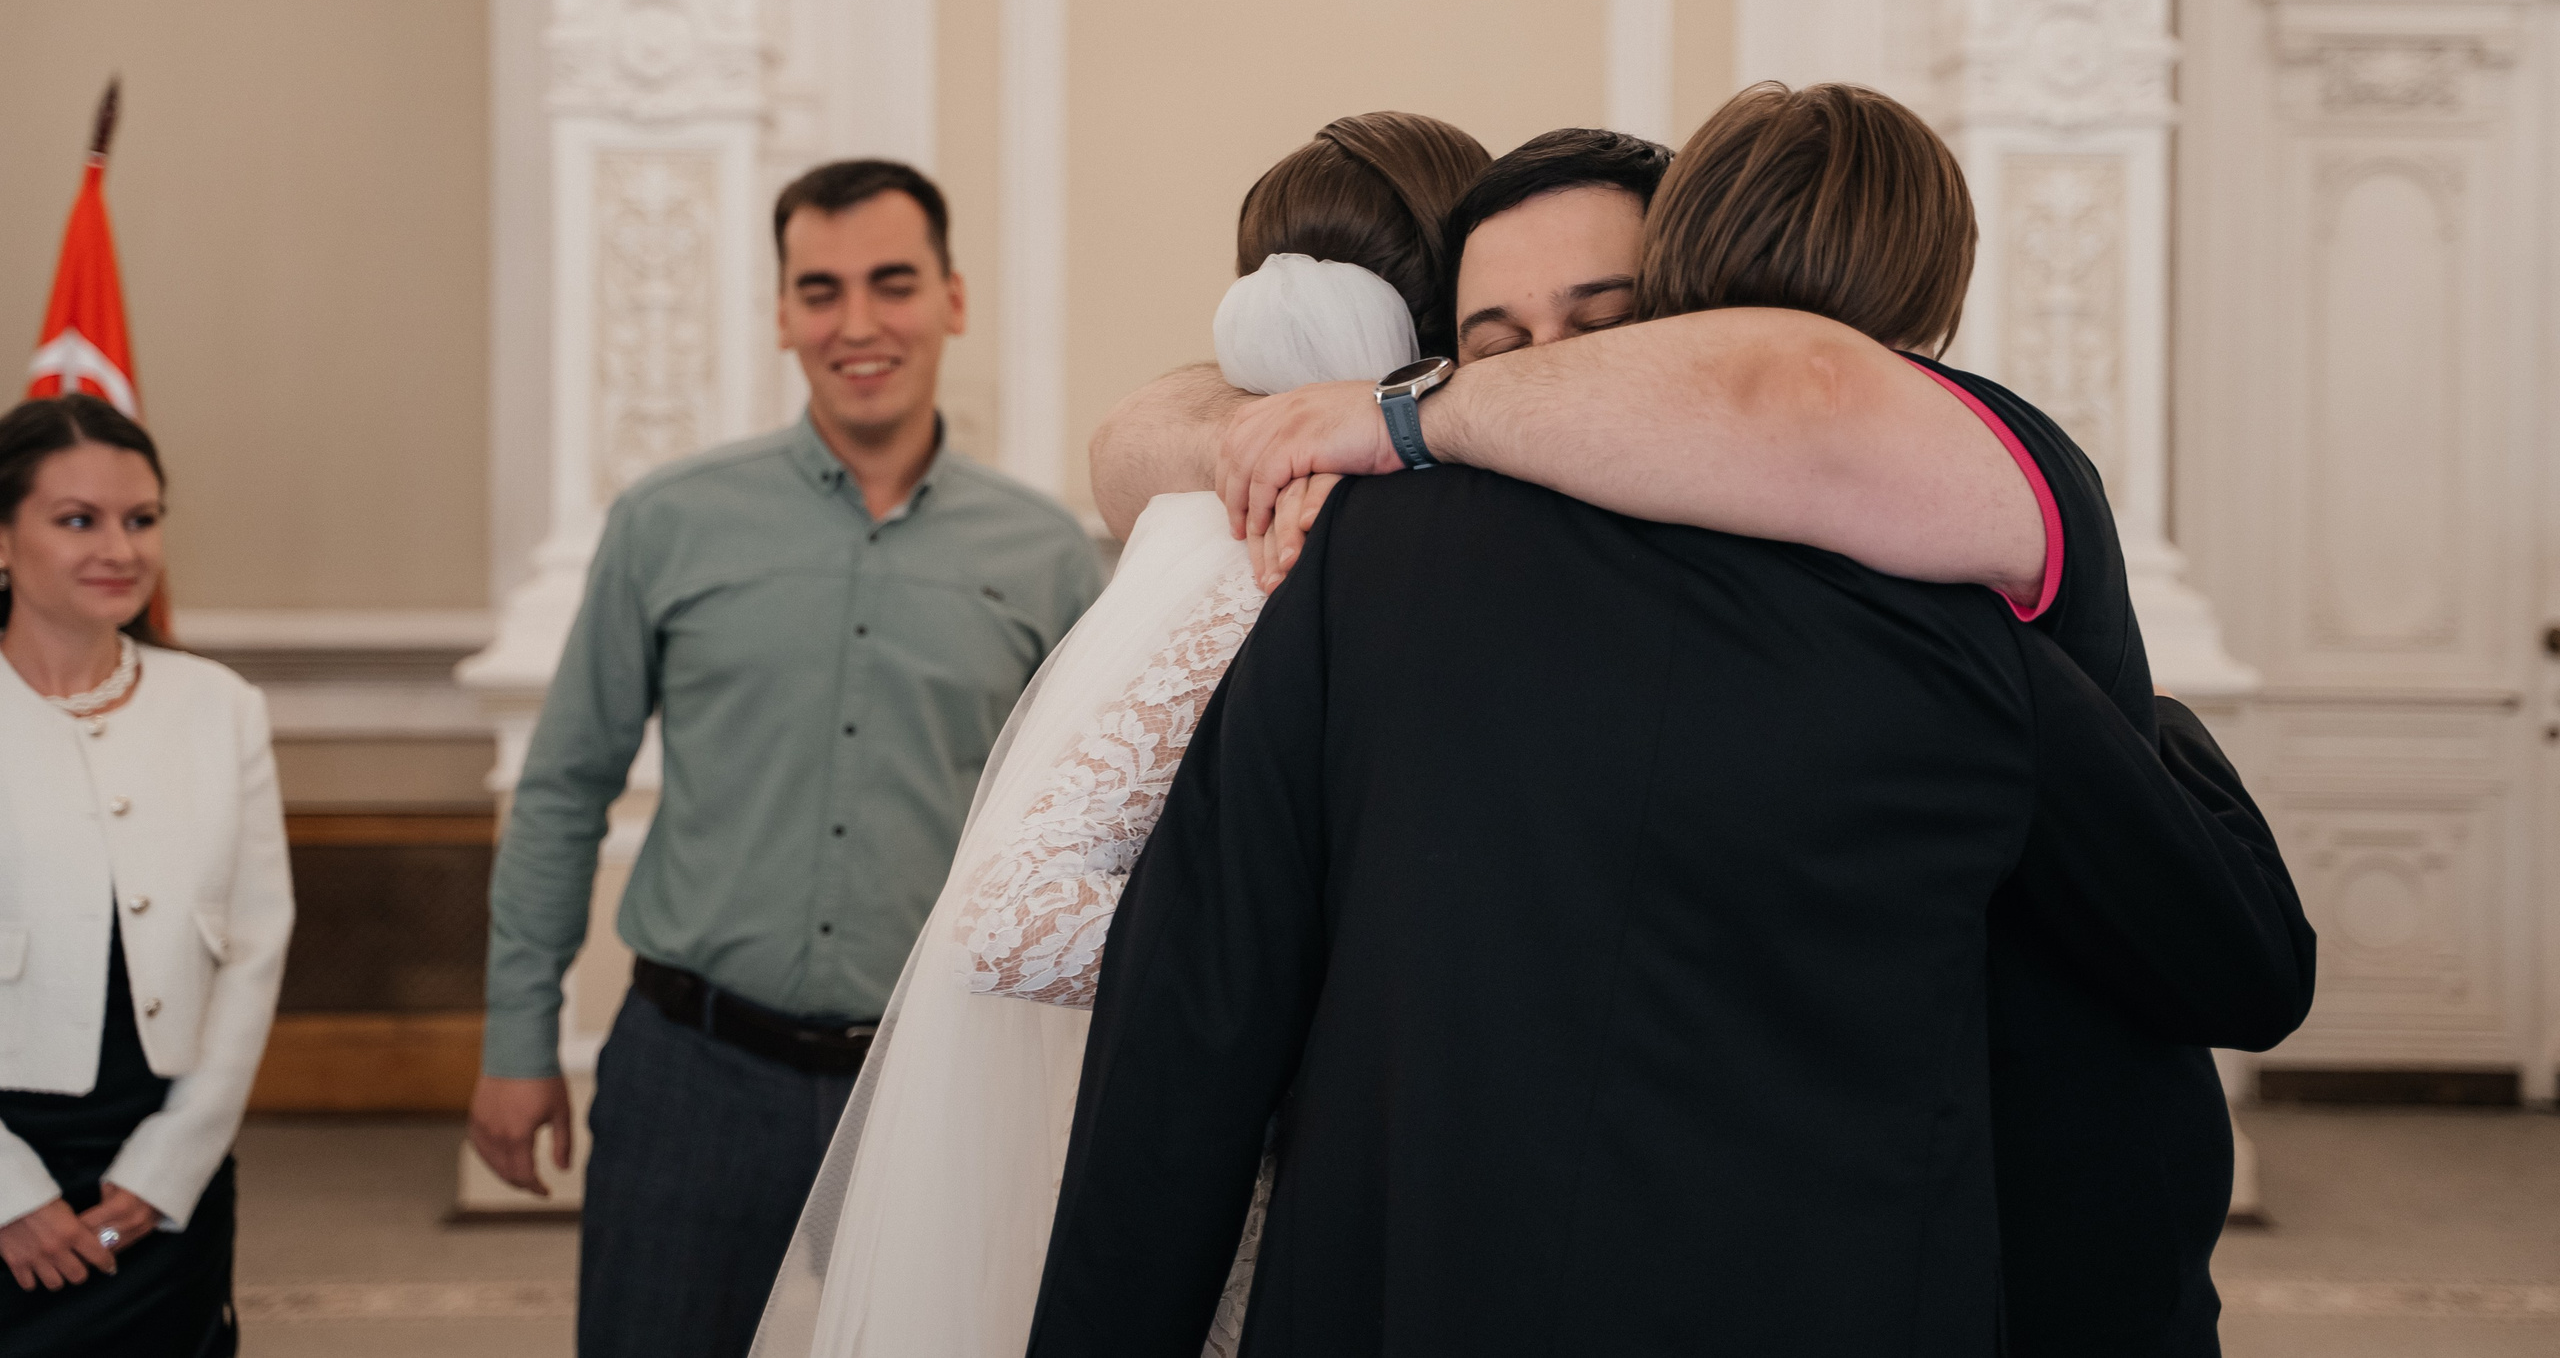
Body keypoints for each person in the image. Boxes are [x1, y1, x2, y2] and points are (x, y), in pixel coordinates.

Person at [1025, 107, 2313, 1356]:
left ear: (1689, 319)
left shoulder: (1948, 531)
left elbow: (1188, 1019)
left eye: (1604, 328)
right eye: (1496, 342)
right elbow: (1200, 980)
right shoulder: (1369, 555)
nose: (1540, 372)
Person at [749, 113, 1491, 1358]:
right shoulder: (1248, 551)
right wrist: (1324, 966)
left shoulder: (1431, 531)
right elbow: (1009, 916)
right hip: (1269, 1183)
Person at [469, 160, 1104, 1358]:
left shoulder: (1046, 557)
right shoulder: (667, 523)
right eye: (819, 290)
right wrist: (516, 1043)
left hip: (939, 1084)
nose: (856, 324)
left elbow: (1084, 836)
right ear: (779, 314)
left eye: (892, 284)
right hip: (696, 1075)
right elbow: (561, 790)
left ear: (954, 299)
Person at [0, 393, 294, 1358]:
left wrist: (173, 1164)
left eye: (141, 519)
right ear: (4, 538)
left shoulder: (220, 707)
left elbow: (254, 949)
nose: (119, 548)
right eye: (77, 519)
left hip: (165, 1161)